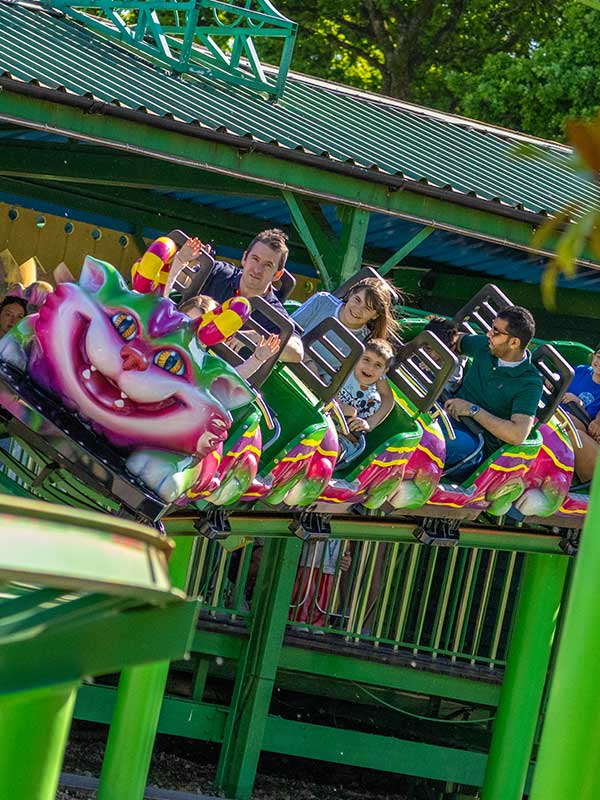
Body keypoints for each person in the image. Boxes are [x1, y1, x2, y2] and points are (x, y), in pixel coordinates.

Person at [442, 306, 543, 481]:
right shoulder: (486, 347)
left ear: (514, 343)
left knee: (431, 439)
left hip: (475, 445)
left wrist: (472, 410)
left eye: (496, 332)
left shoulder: (529, 383)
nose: (489, 334)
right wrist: (438, 344)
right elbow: (454, 339)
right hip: (446, 415)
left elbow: (517, 434)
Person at [292, 276, 401, 429]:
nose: (358, 309)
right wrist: (307, 361)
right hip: (288, 363)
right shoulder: (323, 302)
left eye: (368, 308)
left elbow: (387, 397)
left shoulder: (366, 344)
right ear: (350, 294)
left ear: (375, 315)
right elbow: (287, 331)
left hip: (317, 391)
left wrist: (369, 424)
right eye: (357, 300)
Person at [184, 229, 304, 363]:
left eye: (268, 265)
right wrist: (186, 260)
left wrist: (256, 337)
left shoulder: (273, 311)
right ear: (244, 258)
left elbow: (297, 352)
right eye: (255, 259)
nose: (257, 270)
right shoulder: (219, 272)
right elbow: (181, 282)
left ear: (277, 275)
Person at [179, 294, 280, 381]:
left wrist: (257, 359)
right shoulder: (168, 330)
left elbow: (229, 379)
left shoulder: (203, 361)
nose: (190, 331)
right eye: (186, 321)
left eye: (200, 329)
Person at [336, 339, 395, 463]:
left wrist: (368, 424)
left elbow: (389, 399)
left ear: (384, 371)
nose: (370, 368)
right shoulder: (346, 370)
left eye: (378, 365)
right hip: (324, 418)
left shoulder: (373, 398)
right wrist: (338, 406)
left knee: (333, 449)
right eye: (366, 360)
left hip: (344, 438)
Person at [561, 344, 600, 482]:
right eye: (599, 357)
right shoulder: (582, 371)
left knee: (575, 433)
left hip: (575, 424)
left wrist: (579, 404)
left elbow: (591, 425)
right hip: (558, 411)